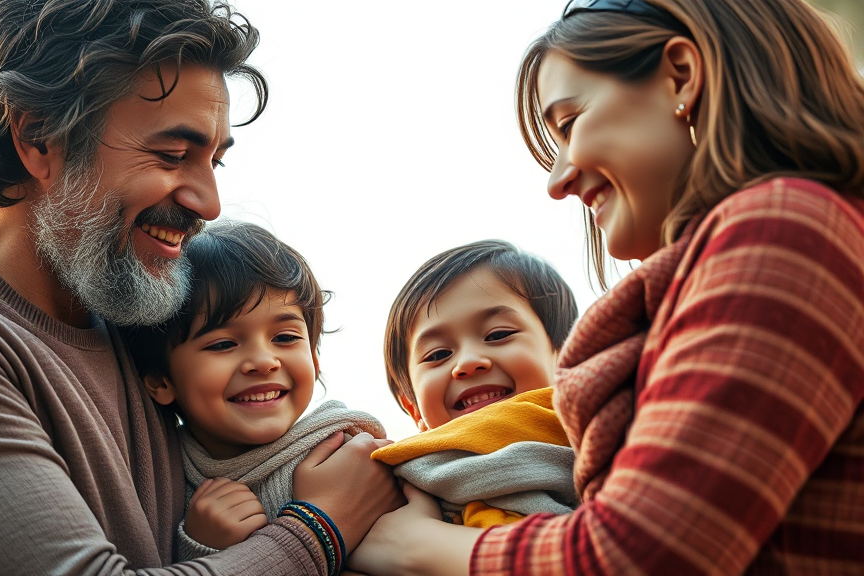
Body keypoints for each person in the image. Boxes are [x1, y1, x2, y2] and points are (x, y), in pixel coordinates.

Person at [0, 0, 400, 574]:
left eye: (214, 162)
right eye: (172, 156)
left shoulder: (136, 312)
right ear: (38, 137)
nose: (208, 203)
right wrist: (319, 528)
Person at [348, 0, 864, 574]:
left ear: (681, 77)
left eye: (569, 124)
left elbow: (641, 554)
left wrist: (411, 547)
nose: (558, 181)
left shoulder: (782, 231)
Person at [125, 220, 387, 571]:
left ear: (314, 358)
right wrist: (201, 547)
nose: (264, 362)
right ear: (160, 380)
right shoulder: (161, 484)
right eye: (223, 344)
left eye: (286, 338)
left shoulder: (346, 449)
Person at [371, 240, 579, 528]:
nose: (467, 362)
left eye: (497, 335)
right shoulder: (390, 496)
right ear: (414, 408)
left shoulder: (620, 446)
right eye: (438, 354)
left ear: (568, 357)